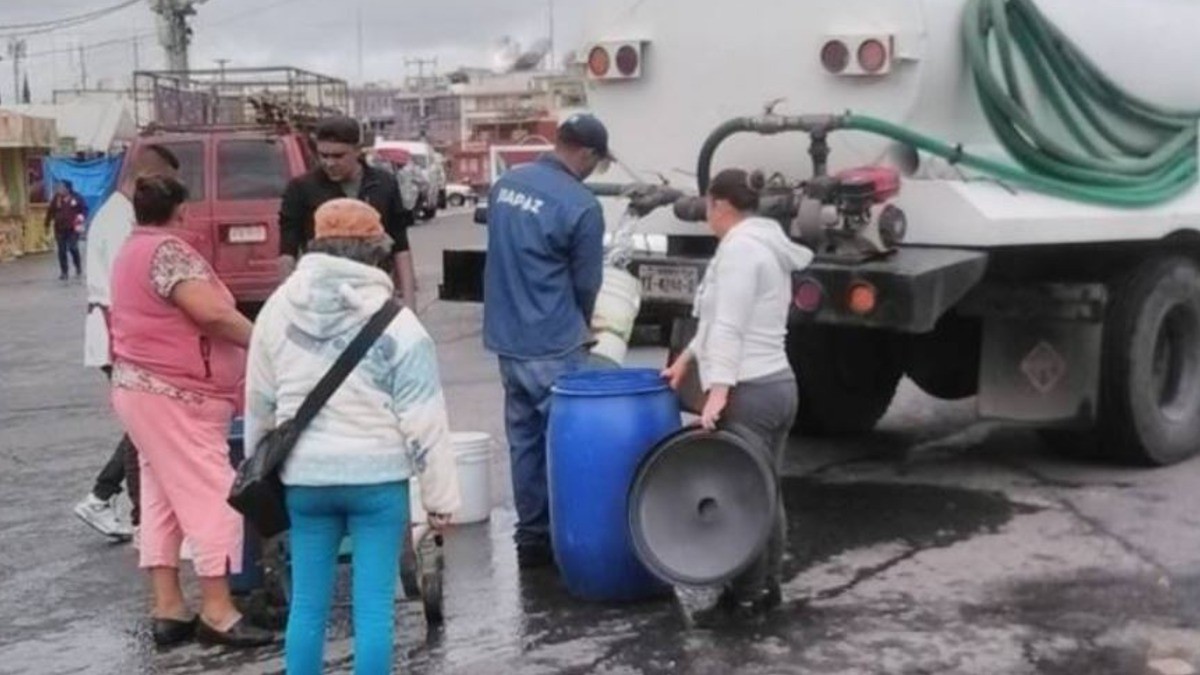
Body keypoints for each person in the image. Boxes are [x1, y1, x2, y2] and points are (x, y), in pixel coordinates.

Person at [245, 198, 460, 674]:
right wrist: (439, 496)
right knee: (374, 610)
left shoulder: (277, 311)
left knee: (307, 607)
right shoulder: (398, 324)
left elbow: (259, 403)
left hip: (305, 480)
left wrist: (259, 468)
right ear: (377, 252)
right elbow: (424, 419)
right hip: (377, 483)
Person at [109, 175, 273, 648]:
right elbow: (212, 314)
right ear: (182, 210)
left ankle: (169, 607)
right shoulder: (169, 252)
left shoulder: (130, 250)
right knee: (213, 493)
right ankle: (218, 610)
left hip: (140, 388)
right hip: (177, 393)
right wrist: (264, 341)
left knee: (163, 498)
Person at [662, 168, 814, 619]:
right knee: (766, 493)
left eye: (707, 205)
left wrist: (717, 395)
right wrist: (686, 361)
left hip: (750, 391)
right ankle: (765, 589)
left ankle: (745, 596)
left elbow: (728, 327)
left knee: (743, 500)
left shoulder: (740, 253)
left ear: (719, 204)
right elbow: (716, 322)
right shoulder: (764, 244)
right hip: (778, 386)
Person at [483, 114, 610, 569]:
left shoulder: (505, 186)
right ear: (589, 154)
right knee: (567, 444)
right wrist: (584, 326)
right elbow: (586, 283)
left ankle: (531, 537)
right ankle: (573, 538)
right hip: (555, 342)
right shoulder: (581, 205)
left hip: (507, 337)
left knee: (524, 441)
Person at [75, 144, 181, 542]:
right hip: (119, 333)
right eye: (166, 184)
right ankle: (141, 520)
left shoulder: (117, 215)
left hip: (120, 331)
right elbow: (132, 287)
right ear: (143, 181)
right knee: (145, 427)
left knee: (143, 423)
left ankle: (103, 497)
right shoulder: (121, 222)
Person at [279, 116, 418, 312]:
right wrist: (290, 304)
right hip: (323, 296)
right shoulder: (301, 188)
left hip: (375, 291)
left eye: (338, 156)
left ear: (357, 151)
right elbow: (287, 252)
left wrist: (410, 306)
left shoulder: (383, 184)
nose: (329, 163)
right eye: (323, 155)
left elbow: (401, 246)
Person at [45, 179, 87, 280]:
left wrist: (82, 217)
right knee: (61, 250)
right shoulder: (56, 198)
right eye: (59, 187)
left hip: (72, 228)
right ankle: (64, 272)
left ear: (67, 188)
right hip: (59, 229)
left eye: (61, 187)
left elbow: (84, 209)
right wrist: (46, 223)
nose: (59, 189)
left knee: (73, 248)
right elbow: (50, 211)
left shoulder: (76, 197)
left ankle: (78, 266)